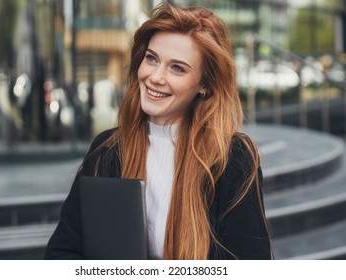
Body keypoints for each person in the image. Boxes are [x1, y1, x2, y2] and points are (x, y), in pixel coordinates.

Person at [44, 3, 271, 260]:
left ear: (205, 85)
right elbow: (62, 254)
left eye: (177, 68)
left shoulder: (233, 158)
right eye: (151, 58)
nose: (155, 77)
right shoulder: (107, 149)